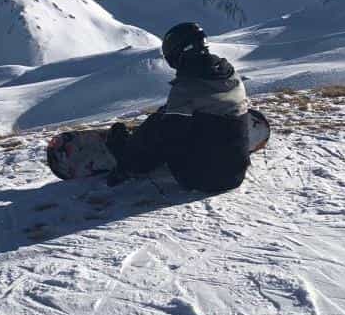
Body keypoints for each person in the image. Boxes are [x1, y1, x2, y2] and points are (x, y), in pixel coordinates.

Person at [105, 22, 252, 192]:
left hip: (201, 179)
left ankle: (127, 154)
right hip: (237, 175)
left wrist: (126, 166)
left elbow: (168, 137)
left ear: (177, 52)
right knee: (192, 116)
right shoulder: (228, 72)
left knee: (160, 123)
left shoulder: (185, 88)